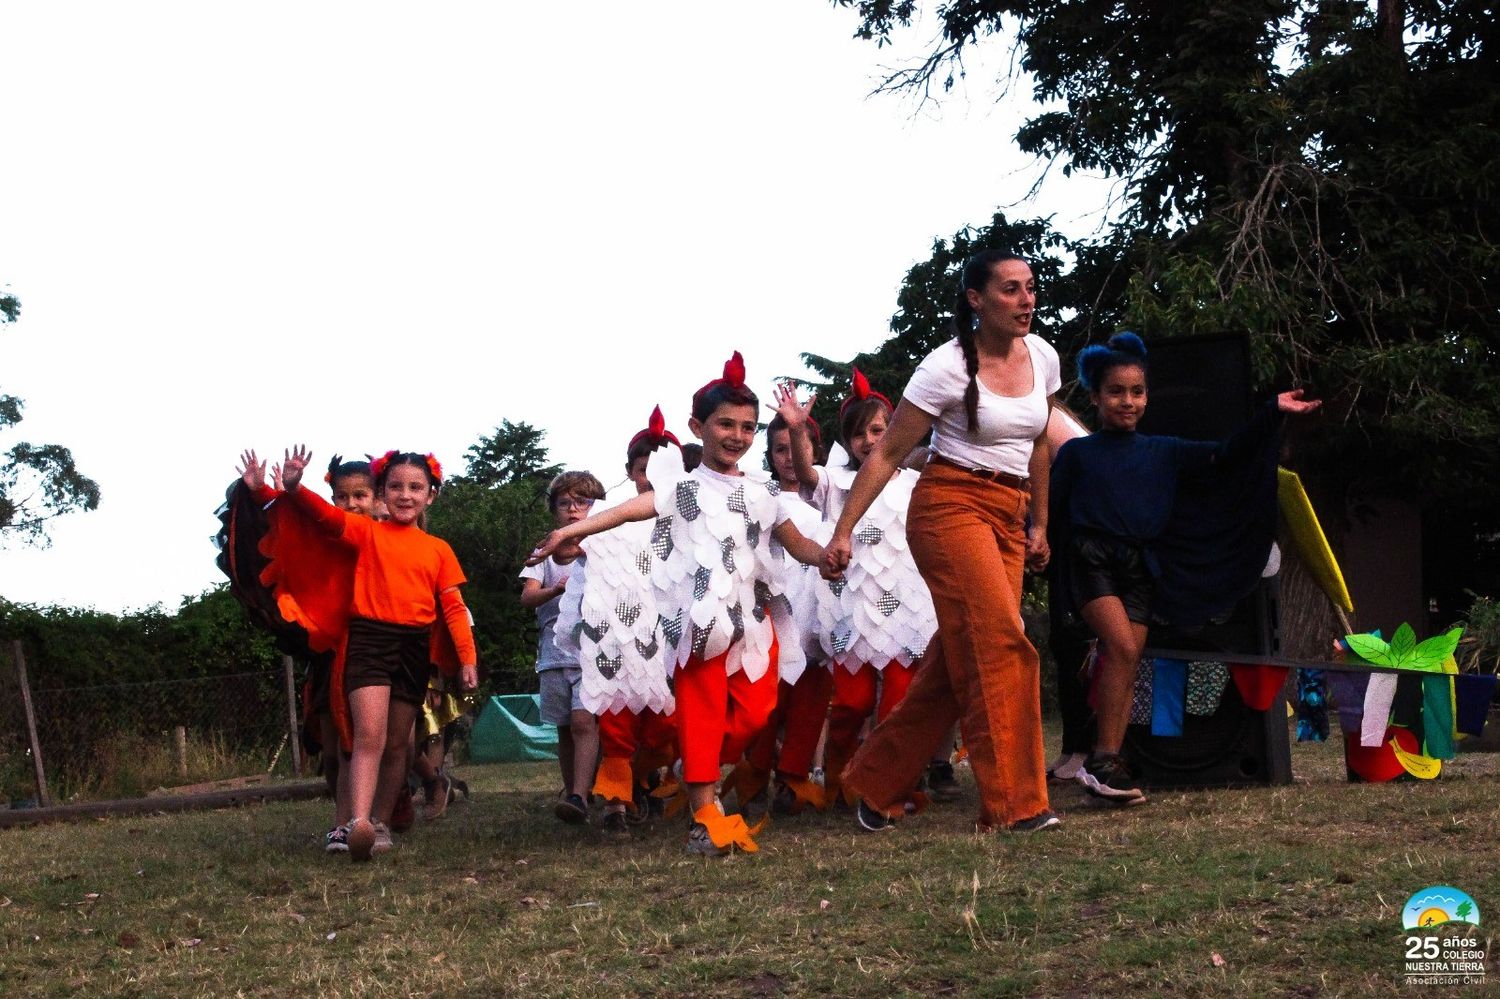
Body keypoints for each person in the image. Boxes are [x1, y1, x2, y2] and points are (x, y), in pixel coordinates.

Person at [528, 351, 830, 855]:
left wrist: (828, 556)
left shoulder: (762, 493)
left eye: (747, 427)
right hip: (696, 626)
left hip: (753, 622)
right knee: (702, 712)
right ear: (698, 426)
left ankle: (696, 764)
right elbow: (629, 510)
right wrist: (573, 528)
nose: (736, 436)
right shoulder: (684, 488)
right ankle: (703, 814)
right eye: (725, 424)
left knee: (757, 713)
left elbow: (798, 543)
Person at [830, 249, 1061, 834]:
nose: (1027, 300)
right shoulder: (946, 367)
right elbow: (886, 452)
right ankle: (1016, 806)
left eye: (1031, 288)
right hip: (948, 507)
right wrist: (843, 529)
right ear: (976, 300)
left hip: (1009, 513)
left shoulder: (1044, 358)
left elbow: (1038, 443)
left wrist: (1040, 522)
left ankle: (873, 781)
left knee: (956, 660)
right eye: (1010, 289)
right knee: (1002, 646)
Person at [1048, 332, 1320, 804]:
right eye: (1115, 392)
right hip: (1089, 560)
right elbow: (1055, 513)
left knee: (1128, 657)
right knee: (1119, 646)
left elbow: (1226, 454)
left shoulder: (1164, 451)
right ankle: (1098, 761)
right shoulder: (1077, 453)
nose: (1127, 401)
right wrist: (1045, 560)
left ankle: (1104, 762)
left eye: (1136, 392)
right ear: (1095, 396)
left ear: (1147, 396)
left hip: (1140, 566)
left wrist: (1270, 412)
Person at [277, 446, 479, 861]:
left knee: (396, 745)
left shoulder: (438, 550)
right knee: (368, 736)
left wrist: (468, 660)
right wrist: (295, 488)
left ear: (431, 496)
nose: (405, 495)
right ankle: (357, 822)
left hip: (414, 646)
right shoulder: (366, 533)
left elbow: (454, 607)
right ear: (383, 493)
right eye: (396, 487)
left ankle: (380, 824)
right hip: (369, 641)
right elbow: (327, 517)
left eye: (416, 487)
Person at [773, 371, 936, 811]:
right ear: (846, 440)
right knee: (852, 703)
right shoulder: (832, 483)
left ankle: (889, 785)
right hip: (850, 610)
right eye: (858, 432)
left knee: (900, 704)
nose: (868, 439)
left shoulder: (914, 483)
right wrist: (795, 427)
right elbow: (804, 471)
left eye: (878, 430)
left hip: (905, 608)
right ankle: (842, 773)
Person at [553, 408, 680, 836]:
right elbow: (572, 552)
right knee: (617, 717)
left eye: (661, 470)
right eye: (644, 470)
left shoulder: (687, 513)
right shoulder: (611, 516)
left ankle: (641, 782)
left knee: (662, 722)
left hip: (670, 635)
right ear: (631, 472)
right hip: (617, 636)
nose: (652, 479)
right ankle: (615, 802)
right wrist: (569, 546)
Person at [730, 403, 834, 820]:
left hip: (819, 608)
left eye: (798, 445)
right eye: (780, 449)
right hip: (773, 609)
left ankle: (793, 776)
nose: (789, 457)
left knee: (812, 693)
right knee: (767, 697)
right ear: (769, 456)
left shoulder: (831, 499)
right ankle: (753, 775)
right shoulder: (758, 496)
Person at [520, 470, 607, 825]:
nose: (573, 510)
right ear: (554, 509)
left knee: (583, 721)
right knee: (563, 729)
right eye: (565, 503)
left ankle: (580, 794)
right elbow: (527, 597)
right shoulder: (544, 554)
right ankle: (572, 792)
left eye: (582, 502)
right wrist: (555, 591)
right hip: (553, 657)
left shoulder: (602, 552)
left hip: (590, 656)